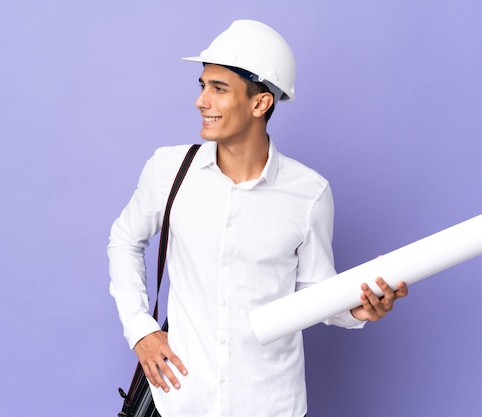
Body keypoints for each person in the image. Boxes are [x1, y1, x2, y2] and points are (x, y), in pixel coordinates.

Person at [108, 19, 408, 417]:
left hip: (270, 405)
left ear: (260, 102)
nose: (202, 101)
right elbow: (125, 240)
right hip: (182, 402)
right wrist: (140, 328)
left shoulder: (309, 193)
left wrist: (358, 310)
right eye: (202, 86)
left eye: (218, 89)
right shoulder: (168, 170)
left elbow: (316, 292)